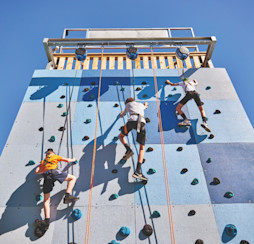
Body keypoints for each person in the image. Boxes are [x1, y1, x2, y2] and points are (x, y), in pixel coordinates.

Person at [34, 148, 79, 232]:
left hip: (46, 176)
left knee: (46, 199)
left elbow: (36, 172)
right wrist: (73, 159)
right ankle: (67, 196)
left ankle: (46, 221)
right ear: (52, 153)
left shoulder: (43, 162)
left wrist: (41, 166)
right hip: (54, 172)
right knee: (73, 178)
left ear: (47, 154)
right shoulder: (55, 156)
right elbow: (67, 160)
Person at [118, 97, 149, 181]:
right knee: (142, 148)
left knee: (120, 136)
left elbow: (122, 115)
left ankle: (128, 150)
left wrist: (121, 113)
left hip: (131, 122)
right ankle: (137, 171)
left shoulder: (127, 105)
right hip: (141, 122)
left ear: (127, 102)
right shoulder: (140, 105)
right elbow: (145, 106)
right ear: (133, 100)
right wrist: (146, 104)